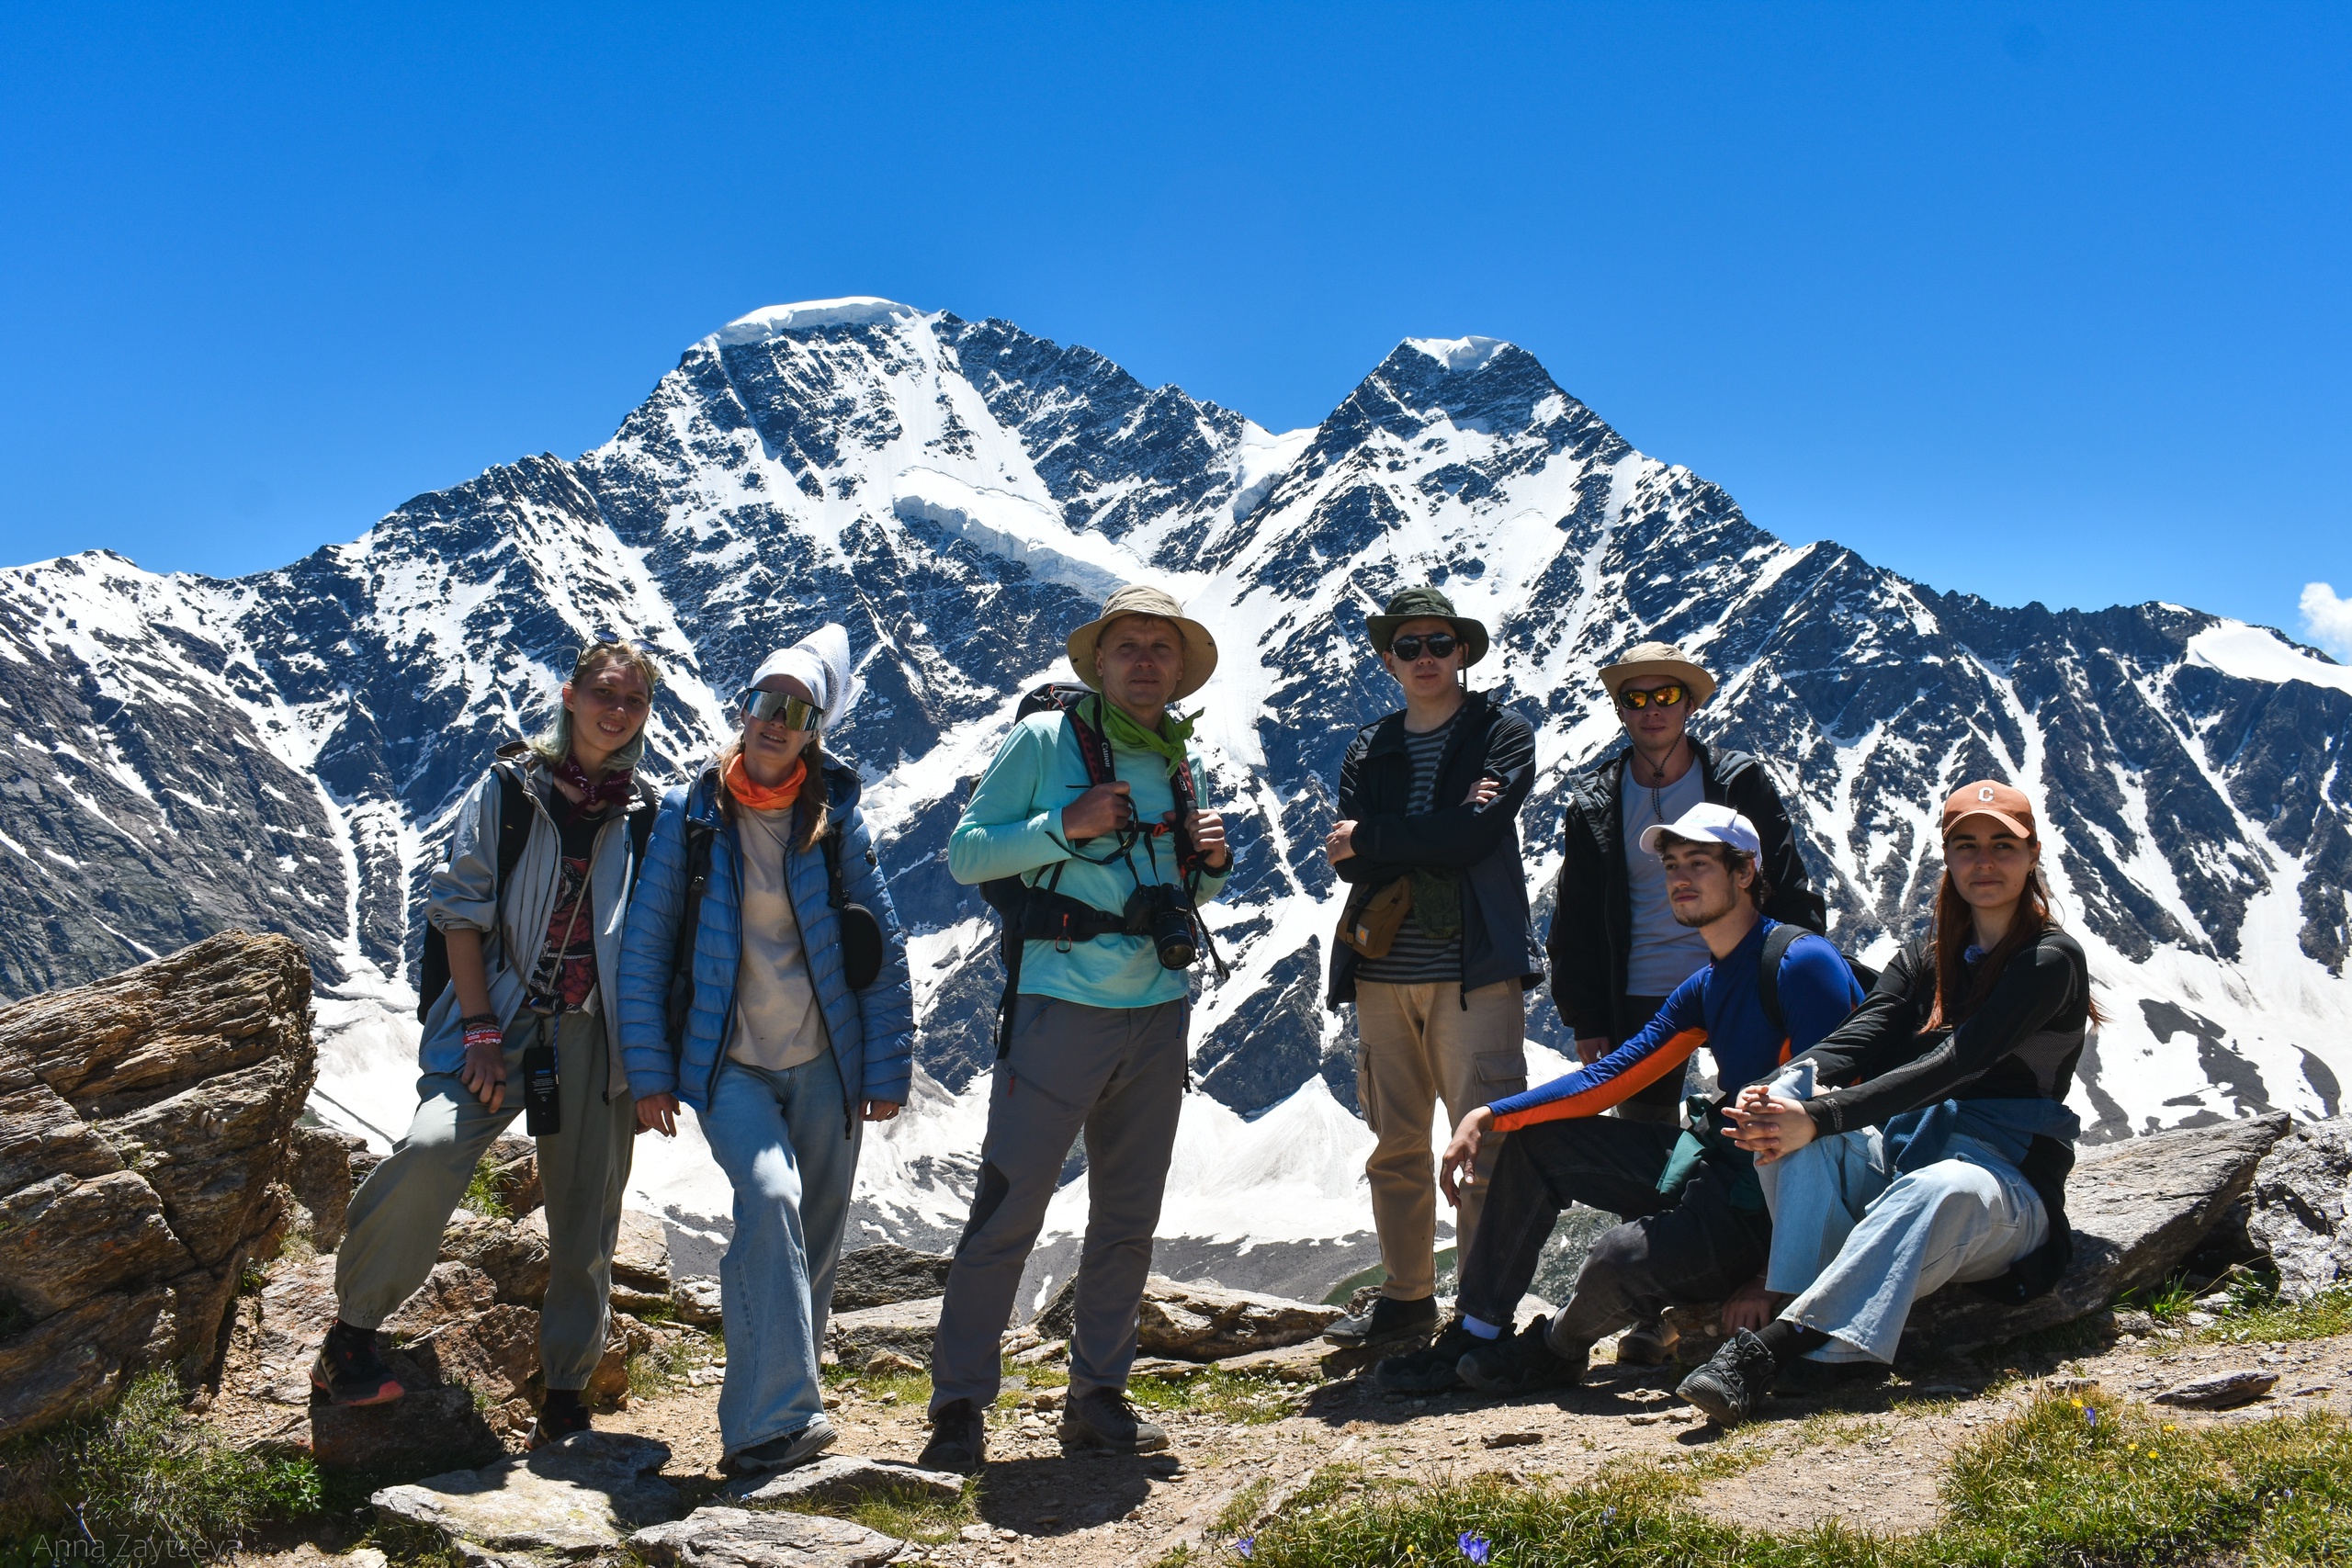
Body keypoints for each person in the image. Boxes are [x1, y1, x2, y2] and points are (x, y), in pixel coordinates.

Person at [1374, 804, 1864, 1394]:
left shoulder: (1800, 965)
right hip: (1724, 1170)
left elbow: (1837, 1122)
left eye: (1700, 863)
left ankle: (1556, 1350)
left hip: (1767, 1207)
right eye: (1672, 864)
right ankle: (1477, 1331)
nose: (1680, 878)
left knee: (1614, 1260)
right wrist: (1490, 1116)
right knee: (1537, 1148)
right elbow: (1612, 1077)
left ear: (1745, 873)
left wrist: (1771, 1277)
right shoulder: (1710, 982)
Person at [312, 641, 662, 1446]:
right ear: (570, 696)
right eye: (604, 693)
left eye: (634, 700)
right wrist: (478, 1030)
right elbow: (459, 913)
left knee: (587, 1214)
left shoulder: (646, 812)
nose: (617, 711)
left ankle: (566, 1394)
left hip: (590, 1033)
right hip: (498, 1017)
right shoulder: (510, 790)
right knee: (432, 1146)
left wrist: (649, 1060)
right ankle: (352, 1332)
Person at [920, 585, 1232, 1472]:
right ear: (1098, 661)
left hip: (1156, 1008)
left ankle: (1098, 1396)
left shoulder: (1178, 757)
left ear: (1180, 667)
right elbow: (967, 852)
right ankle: (958, 1407)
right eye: (1128, 645)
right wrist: (1067, 821)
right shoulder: (1044, 740)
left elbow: (1184, 891)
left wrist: (1210, 863)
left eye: (1161, 648)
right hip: (1058, 1004)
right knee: (1008, 1206)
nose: (1145, 661)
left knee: (1127, 1216)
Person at [1678, 779, 2097, 1427]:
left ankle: (1775, 1347)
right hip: (1905, 1157)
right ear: (1947, 857)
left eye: (2002, 846)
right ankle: (1814, 1319)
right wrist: (1777, 1091)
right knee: (1788, 1101)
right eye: (1967, 846)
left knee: (1939, 1187)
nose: (1984, 862)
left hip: (2006, 1186)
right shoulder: (1928, 957)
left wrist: (1822, 1116)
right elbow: (1857, 1037)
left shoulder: (2050, 960)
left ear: (2032, 854)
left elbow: (1956, 1063)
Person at [617, 625, 913, 1475]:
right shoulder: (692, 815)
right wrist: (650, 1072)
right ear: (743, 709)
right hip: (729, 1064)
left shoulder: (835, 816)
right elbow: (646, 947)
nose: (776, 721)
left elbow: (880, 946)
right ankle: (768, 1421)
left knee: (813, 1238)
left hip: (825, 1058)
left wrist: (887, 1067)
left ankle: (780, 1413)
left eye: (797, 710)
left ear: (816, 729)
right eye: (765, 702)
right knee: (772, 1197)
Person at [1545, 640, 1827, 1364]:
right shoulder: (1597, 799)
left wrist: (1790, 976)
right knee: (1649, 1152)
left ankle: (1769, 1273)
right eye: (1634, 698)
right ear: (1620, 709)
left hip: (1737, 982)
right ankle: (1653, 1314)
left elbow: (1785, 876)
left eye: (1665, 695)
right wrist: (1588, 1017)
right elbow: (1575, 915)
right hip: (1640, 995)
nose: (1651, 710)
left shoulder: (1736, 781)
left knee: (1757, 1131)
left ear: (1691, 702)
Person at [1318, 587, 1543, 1354]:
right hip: (1382, 972)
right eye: (1408, 646)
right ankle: (1407, 1297)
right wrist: (1430, 831)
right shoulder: (1369, 745)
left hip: (1473, 970)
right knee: (1396, 1144)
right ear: (1388, 659)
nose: (1424, 657)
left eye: (1438, 643)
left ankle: (1481, 1313)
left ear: (1463, 651)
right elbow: (1354, 861)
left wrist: (1378, 835)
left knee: (1485, 1145)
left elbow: (1475, 833)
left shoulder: (1502, 733)